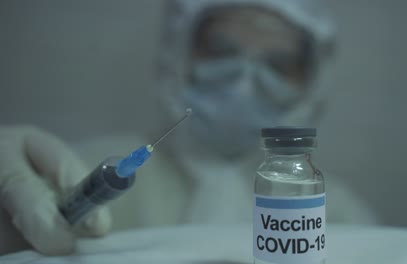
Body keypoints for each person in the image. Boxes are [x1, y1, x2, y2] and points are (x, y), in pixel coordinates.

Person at [0, 0, 376, 256]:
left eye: (278, 65)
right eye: (221, 50)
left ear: (310, 85)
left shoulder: (340, 217)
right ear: (176, 54)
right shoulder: (69, 169)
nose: (244, 81)